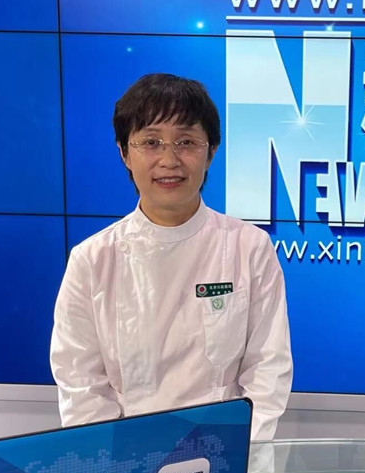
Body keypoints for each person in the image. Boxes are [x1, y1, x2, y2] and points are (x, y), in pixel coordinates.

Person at [50, 73, 292, 440]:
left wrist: (238, 452)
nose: (169, 159)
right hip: (126, 457)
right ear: (124, 153)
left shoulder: (250, 248)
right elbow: (81, 385)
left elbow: (267, 371)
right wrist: (121, 463)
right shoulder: (92, 260)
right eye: (151, 142)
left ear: (211, 151)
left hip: (227, 454)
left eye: (186, 142)